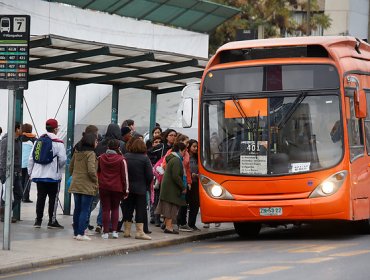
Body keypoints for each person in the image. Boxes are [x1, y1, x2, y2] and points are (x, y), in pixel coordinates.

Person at [28, 119, 66, 229]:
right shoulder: (58, 143)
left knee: (40, 198)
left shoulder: (38, 141)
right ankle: (51, 221)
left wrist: (31, 172)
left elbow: (31, 159)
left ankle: (38, 221)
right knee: (53, 199)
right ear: (55, 129)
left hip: (39, 176)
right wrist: (57, 167)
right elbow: (63, 160)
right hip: (53, 177)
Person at [122, 137, 153, 240]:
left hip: (128, 188)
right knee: (140, 210)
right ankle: (139, 232)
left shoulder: (125, 156)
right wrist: (146, 185)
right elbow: (149, 175)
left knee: (128, 209)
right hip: (141, 188)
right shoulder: (145, 158)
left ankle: (127, 231)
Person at [68, 133, 98, 241]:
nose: (97, 143)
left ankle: (76, 233)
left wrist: (75, 176)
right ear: (91, 142)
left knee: (77, 209)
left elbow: (70, 167)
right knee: (85, 210)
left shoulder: (77, 153)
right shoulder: (91, 154)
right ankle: (81, 233)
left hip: (76, 184)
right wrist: (95, 180)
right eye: (96, 141)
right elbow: (91, 170)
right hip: (87, 185)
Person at [98, 139, 129, 239]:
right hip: (117, 187)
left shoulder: (101, 158)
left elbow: (98, 172)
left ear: (108, 147)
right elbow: (124, 176)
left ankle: (105, 232)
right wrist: (126, 190)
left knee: (105, 209)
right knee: (115, 209)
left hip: (103, 187)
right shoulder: (121, 159)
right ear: (118, 147)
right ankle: (115, 231)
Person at [155, 142, 187, 234]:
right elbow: (176, 176)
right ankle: (169, 227)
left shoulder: (172, 159)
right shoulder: (177, 160)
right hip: (171, 189)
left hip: (168, 188)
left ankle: (166, 224)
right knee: (171, 207)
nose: (185, 153)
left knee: (168, 207)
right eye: (184, 150)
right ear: (180, 150)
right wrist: (183, 187)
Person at [0, 122, 23, 223]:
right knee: (6, 195)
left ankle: (4, 212)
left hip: (16, 172)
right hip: (8, 172)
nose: (22, 130)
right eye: (20, 128)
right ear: (17, 129)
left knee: (18, 194)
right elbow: (3, 157)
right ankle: (4, 214)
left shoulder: (17, 141)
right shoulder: (6, 141)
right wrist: (3, 172)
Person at [20, 123, 37, 203]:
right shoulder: (33, 140)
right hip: (28, 164)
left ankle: (20, 196)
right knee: (27, 181)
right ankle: (25, 197)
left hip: (19, 164)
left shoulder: (19, 138)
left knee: (20, 181)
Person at [187, 139, 200, 231]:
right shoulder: (186, 157)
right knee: (184, 204)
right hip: (187, 183)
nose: (196, 148)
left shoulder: (198, 158)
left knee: (195, 204)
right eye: (194, 146)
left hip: (196, 183)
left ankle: (192, 223)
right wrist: (191, 174)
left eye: (197, 147)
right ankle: (182, 222)